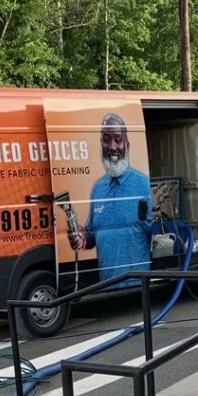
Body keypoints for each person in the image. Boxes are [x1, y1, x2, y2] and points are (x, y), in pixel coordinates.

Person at [68, 114, 152, 286]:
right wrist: (82, 237)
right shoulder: (97, 189)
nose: (112, 146)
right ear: (101, 144)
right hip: (107, 289)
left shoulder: (145, 186)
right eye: (106, 140)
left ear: (126, 145)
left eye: (118, 140)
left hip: (139, 291)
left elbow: (160, 236)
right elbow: (92, 234)